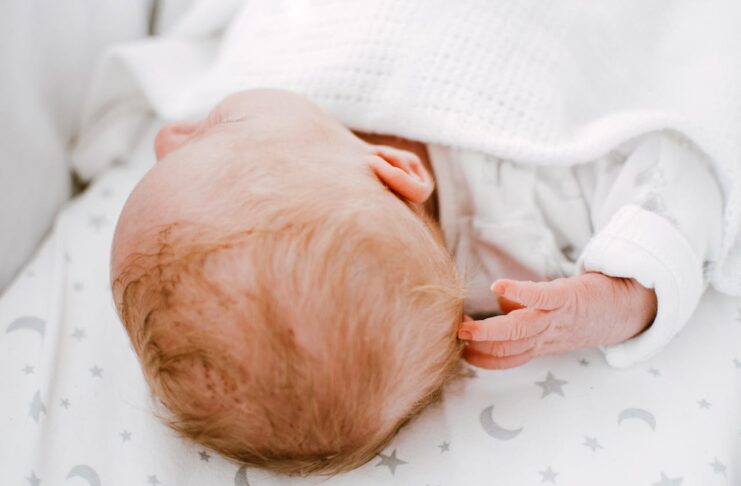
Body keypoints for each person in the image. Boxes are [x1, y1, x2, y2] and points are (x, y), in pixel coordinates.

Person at [110, 88, 721, 474]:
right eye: (219, 125)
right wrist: (617, 296)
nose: (167, 134)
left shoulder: (314, 137)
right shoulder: (521, 232)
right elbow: (681, 172)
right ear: (398, 172)